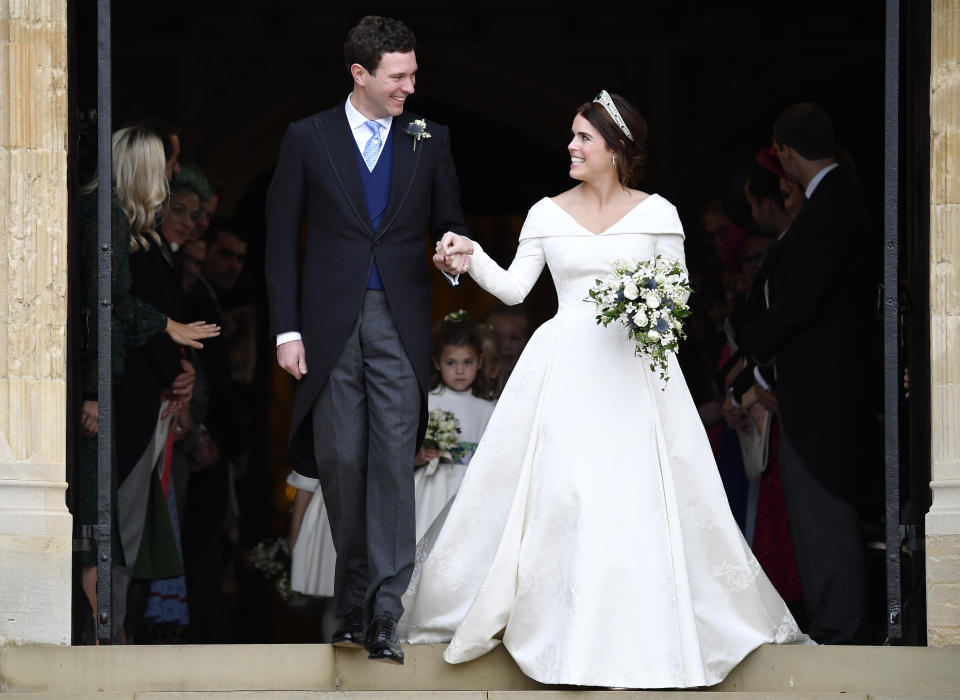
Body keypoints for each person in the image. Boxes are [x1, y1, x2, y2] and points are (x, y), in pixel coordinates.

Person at [404, 91, 808, 689]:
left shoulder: (659, 214)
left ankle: (634, 638)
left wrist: (648, 309)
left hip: (633, 375)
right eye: (571, 136)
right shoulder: (546, 212)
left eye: (583, 138)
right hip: (564, 369)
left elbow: (675, 299)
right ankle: (563, 634)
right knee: (566, 494)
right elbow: (516, 290)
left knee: (633, 499)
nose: (571, 146)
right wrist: (470, 257)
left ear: (617, 150)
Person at [264, 15, 469, 664]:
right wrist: (286, 329)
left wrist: (452, 253)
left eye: (413, 72)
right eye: (398, 76)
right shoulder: (307, 137)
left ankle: (383, 614)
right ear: (360, 74)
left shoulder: (430, 140)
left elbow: (450, 224)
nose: (411, 85)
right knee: (344, 466)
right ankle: (349, 603)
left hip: (401, 326)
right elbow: (279, 238)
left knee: (391, 470)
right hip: (326, 330)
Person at [75, 125, 219, 641]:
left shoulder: (126, 227)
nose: (166, 179)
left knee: (119, 526)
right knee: (110, 525)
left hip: (133, 395)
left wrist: (178, 358)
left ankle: (114, 635)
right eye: (161, 168)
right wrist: (165, 337)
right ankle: (106, 639)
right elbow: (105, 308)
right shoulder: (109, 223)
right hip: (124, 397)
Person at [740, 103, 871, 644]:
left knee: (824, 510)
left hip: (824, 390)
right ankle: (833, 623)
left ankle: (842, 630)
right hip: (810, 386)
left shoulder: (835, 202)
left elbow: (803, 298)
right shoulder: (831, 202)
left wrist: (756, 343)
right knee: (813, 514)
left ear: (787, 153)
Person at [413, 313, 495, 539]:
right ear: (437, 363)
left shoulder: (488, 409)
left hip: (469, 489)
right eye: (451, 363)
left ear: (479, 361)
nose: (460, 371)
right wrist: (419, 456)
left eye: (467, 362)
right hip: (431, 487)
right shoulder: (427, 401)